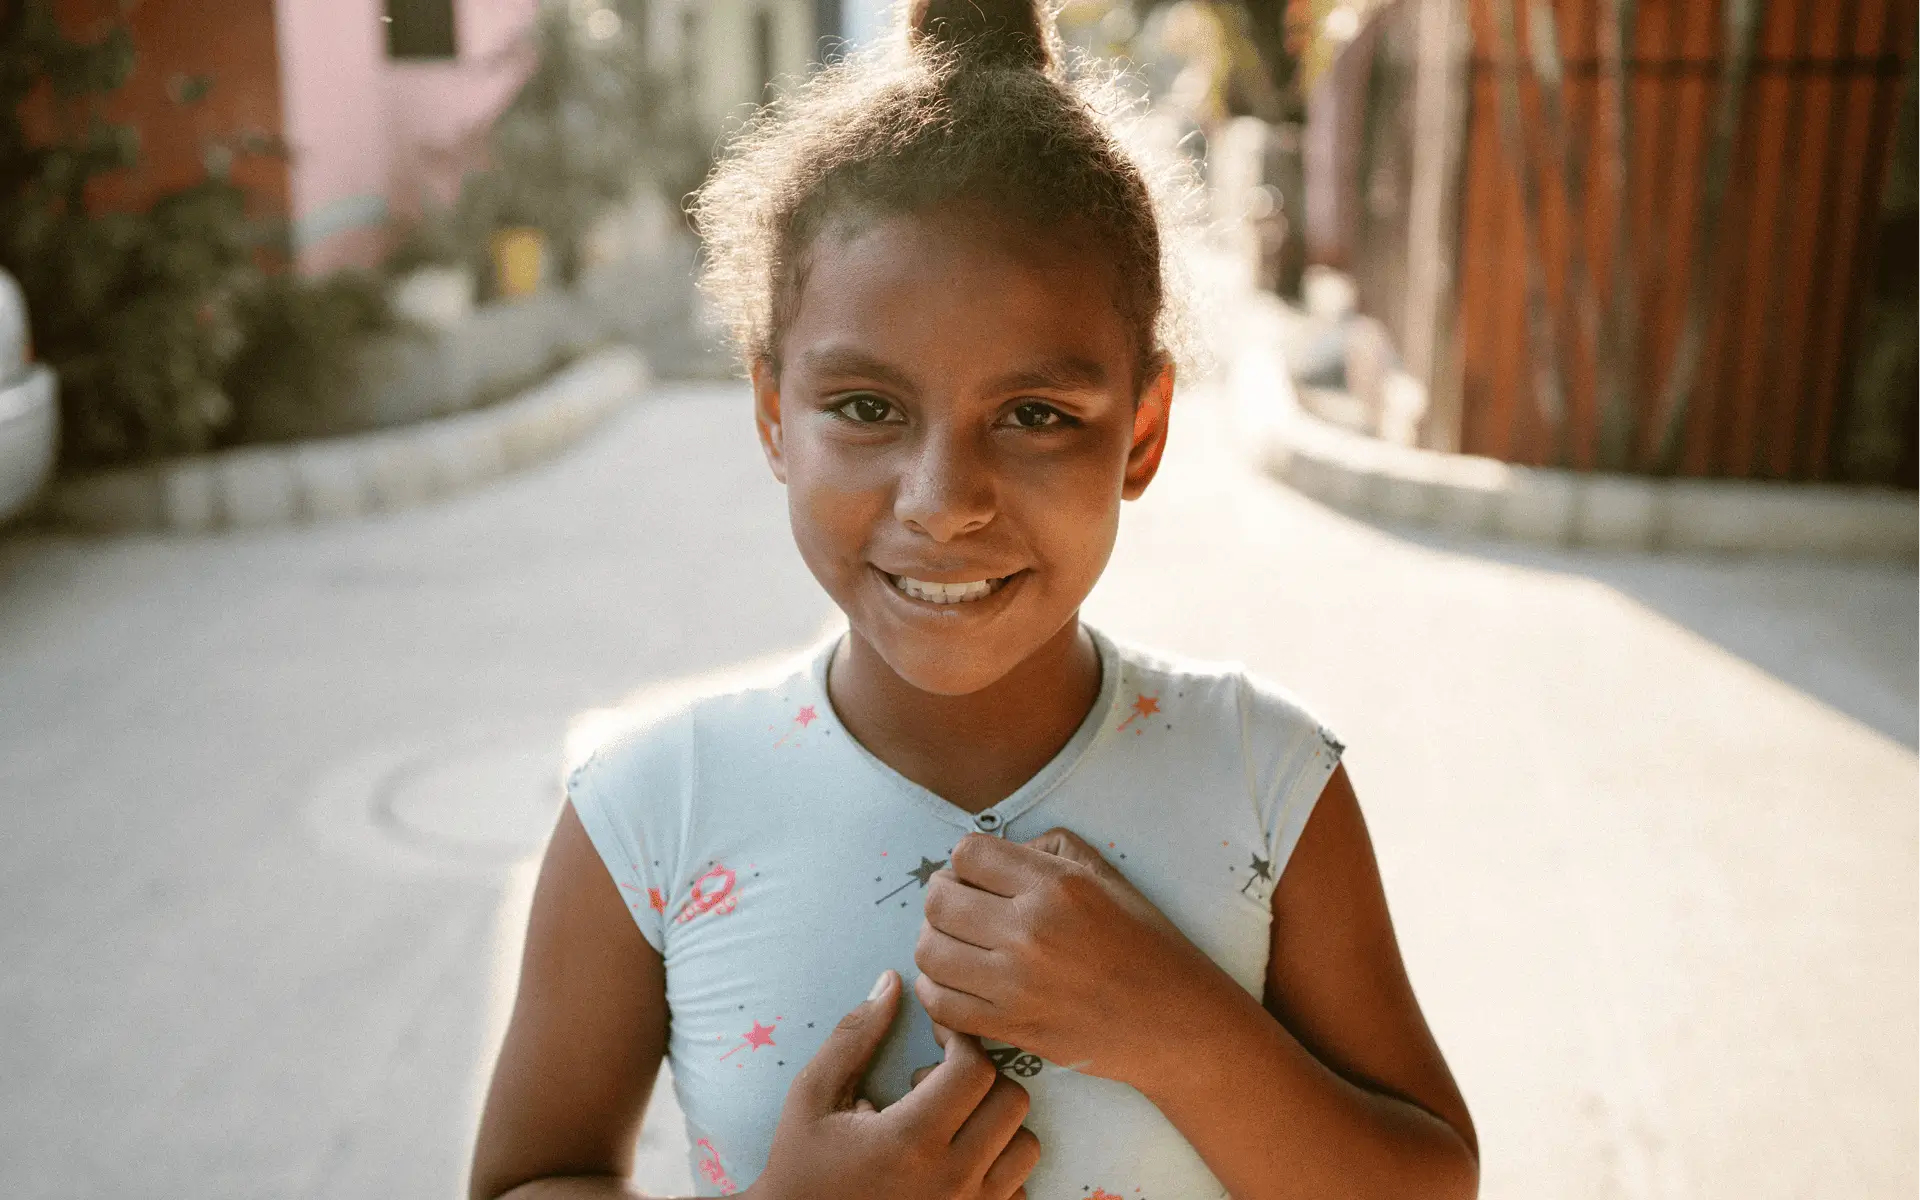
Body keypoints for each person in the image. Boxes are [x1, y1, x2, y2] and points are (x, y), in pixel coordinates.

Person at [469, 2, 1477, 1197]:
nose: (944, 503)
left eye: (1036, 416)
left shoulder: (1268, 782)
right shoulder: (651, 815)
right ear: (770, 416)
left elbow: (1430, 1180)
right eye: (867, 408)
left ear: (1144, 434)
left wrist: (1178, 1029)